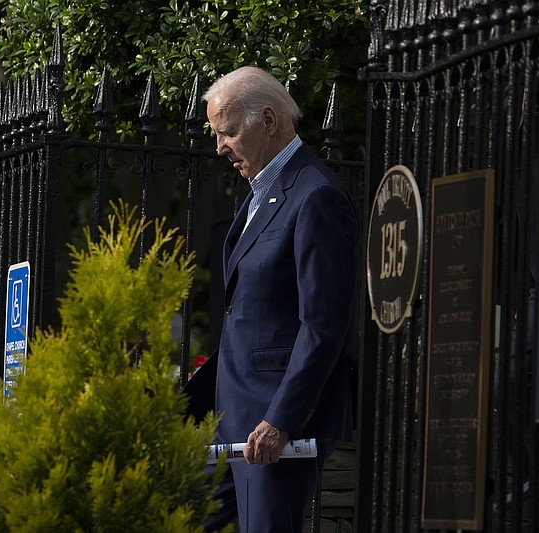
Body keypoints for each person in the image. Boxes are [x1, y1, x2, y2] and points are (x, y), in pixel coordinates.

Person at [202, 66, 359, 532]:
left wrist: (281, 420)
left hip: (271, 429)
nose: (219, 147)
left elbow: (323, 325)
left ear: (268, 120)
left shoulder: (315, 197)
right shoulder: (260, 195)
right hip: (232, 420)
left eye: (227, 131)